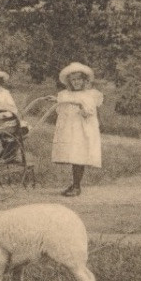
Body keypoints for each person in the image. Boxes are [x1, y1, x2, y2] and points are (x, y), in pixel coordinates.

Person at [51, 62, 103, 196]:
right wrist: (56, 101)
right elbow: (59, 110)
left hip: (82, 130)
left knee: (79, 156)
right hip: (69, 129)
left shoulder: (90, 95)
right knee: (72, 155)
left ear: (85, 80)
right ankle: (74, 184)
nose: (76, 82)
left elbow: (89, 112)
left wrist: (80, 104)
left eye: (79, 79)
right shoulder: (64, 94)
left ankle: (77, 186)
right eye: (73, 80)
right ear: (69, 82)